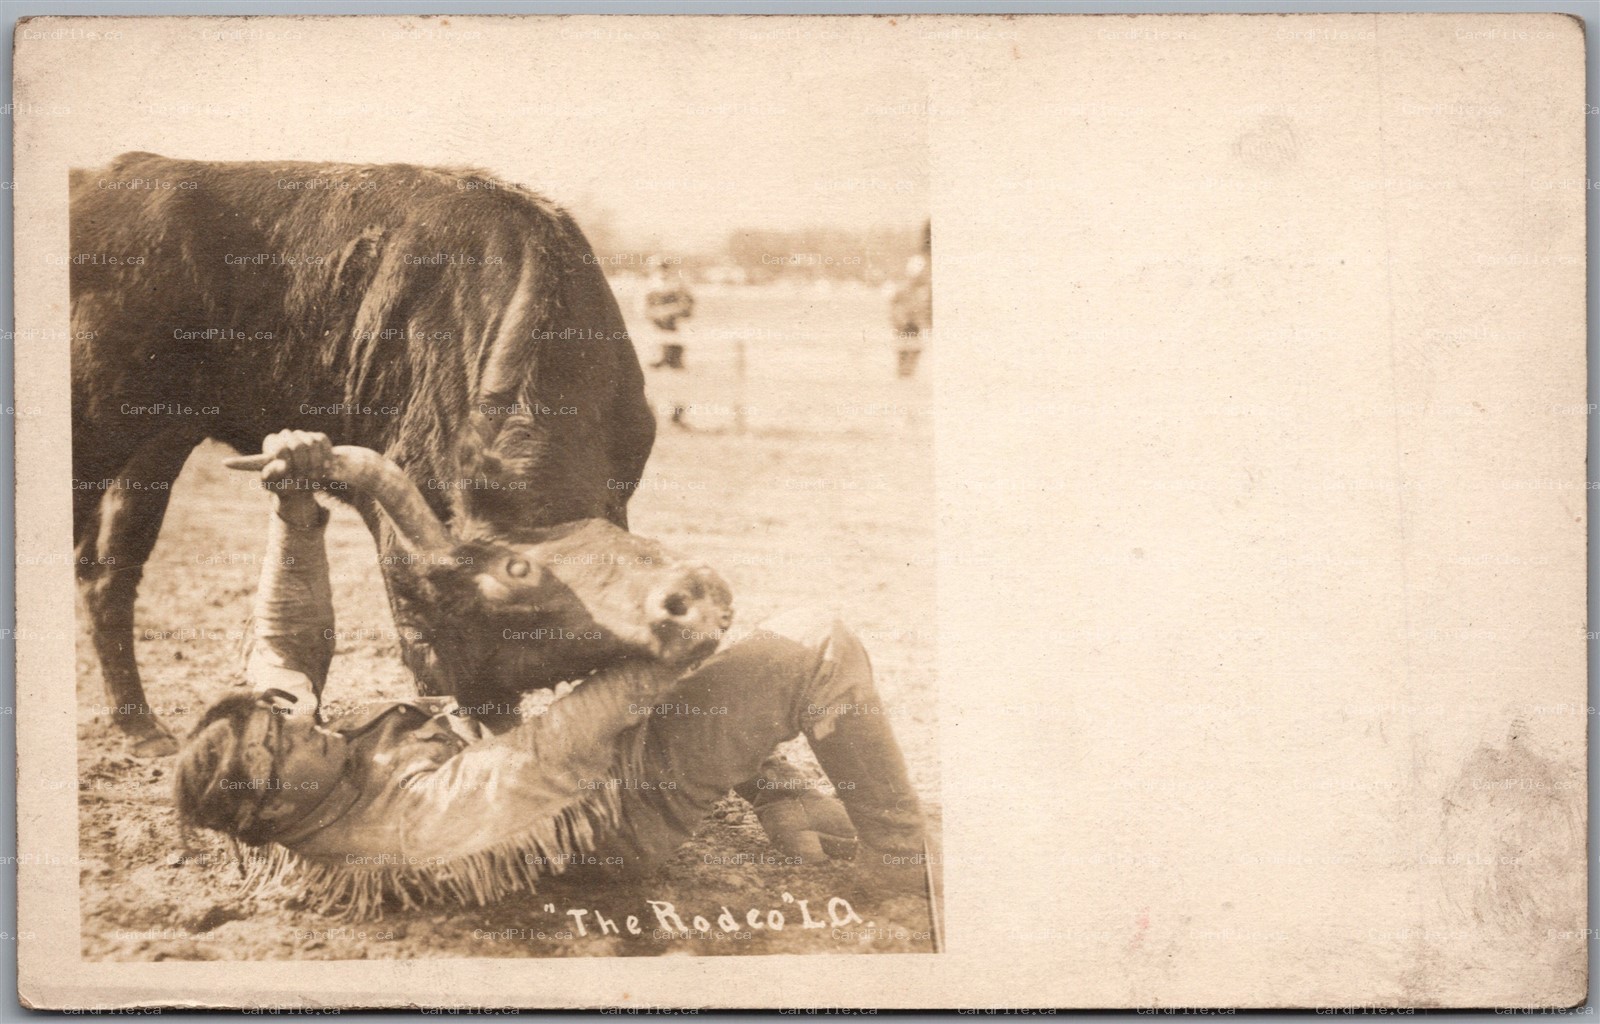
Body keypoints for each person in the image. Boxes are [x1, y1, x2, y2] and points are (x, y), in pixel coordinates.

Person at [173, 431, 928, 918]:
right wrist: (670, 651)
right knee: (818, 644)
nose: (305, 720)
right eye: (285, 745)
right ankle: (902, 864)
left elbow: (282, 645)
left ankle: (776, 788)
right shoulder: (412, 825)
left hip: (532, 756)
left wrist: (293, 505)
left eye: (284, 718)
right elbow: (563, 743)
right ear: (270, 815)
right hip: (616, 813)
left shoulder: (289, 774)